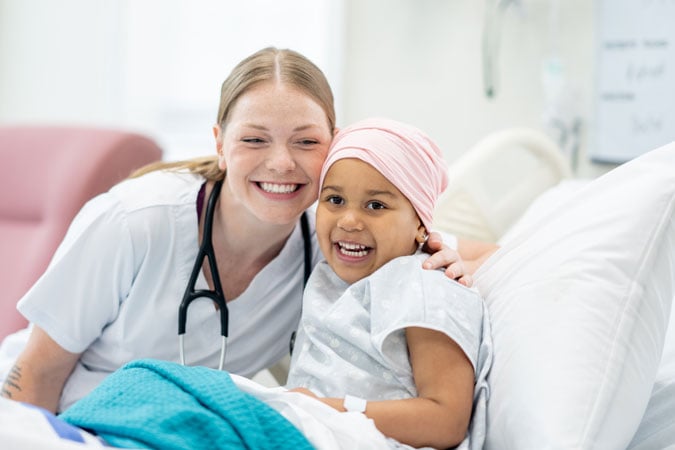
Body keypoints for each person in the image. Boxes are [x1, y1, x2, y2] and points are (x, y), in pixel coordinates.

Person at [0, 47, 497, 415]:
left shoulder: (336, 235)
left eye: (306, 141)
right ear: (220, 142)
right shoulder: (136, 222)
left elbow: (491, 253)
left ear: (335, 145)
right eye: (255, 139)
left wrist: (453, 263)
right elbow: (36, 372)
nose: (281, 164)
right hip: (54, 418)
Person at [54, 117, 491, 450]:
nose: (351, 220)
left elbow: (446, 418)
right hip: (303, 420)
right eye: (334, 200)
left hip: (337, 432)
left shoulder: (426, 283)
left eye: (376, 205)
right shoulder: (334, 270)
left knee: (163, 394)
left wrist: (330, 408)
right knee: (150, 388)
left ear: (421, 224)